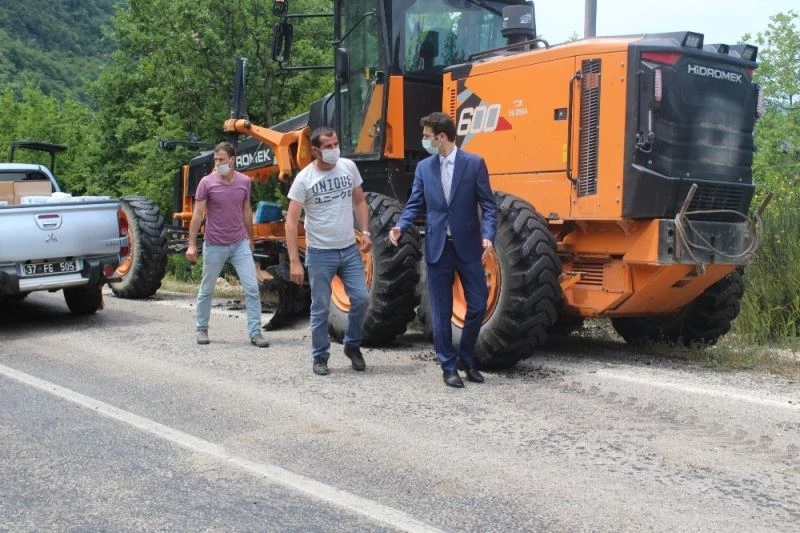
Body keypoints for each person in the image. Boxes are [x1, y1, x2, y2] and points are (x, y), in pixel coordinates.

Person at [390, 112, 497, 388]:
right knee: (441, 311)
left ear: (441, 137)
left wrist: (488, 235)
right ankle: (448, 366)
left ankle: (466, 357)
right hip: (438, 247)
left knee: (478, 304)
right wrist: (401, 225)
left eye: (427, 136)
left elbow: (489, 205)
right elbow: (415, 203)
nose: (423, 141)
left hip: (469, 246)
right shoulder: (425, 168)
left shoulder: (474, 164)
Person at [285, 127, 371, 376]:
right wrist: (294, 261)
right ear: (315, 150)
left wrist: (365, 232)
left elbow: (360, 200)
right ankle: (320, 355)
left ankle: (352, 345)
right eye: (328, 146)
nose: (335, 150)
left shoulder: (348, 168)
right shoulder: (304, 179)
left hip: (348, 249)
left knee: (362, 299)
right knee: (320, 306)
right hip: (320, 253)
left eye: (336, 144)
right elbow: (291, 221)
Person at [185, 141, 270, 348]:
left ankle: (255, 332)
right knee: (207, 289)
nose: (218, 163)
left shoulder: (244, 181)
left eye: (221, 160)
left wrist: (251, 239)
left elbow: (246, 210)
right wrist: (191, 245)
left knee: (251, 287)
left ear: (232, 160)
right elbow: (197, 215)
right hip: (214, 244)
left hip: (239, 243)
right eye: (216, 160)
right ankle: (202, 328)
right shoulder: (206, 183)